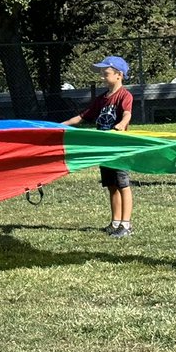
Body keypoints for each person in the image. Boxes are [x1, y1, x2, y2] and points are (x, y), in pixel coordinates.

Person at [61, 56, 134, 237]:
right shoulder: (102, 99)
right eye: (101, 73)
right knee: (111, 185)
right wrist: (60, 125)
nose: (102, 77)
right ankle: (115, 222)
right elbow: (82, 117)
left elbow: (127, 113)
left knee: (123, 185)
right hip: (104, 148)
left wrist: (121, 124)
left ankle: (126, 225)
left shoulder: (124, 95)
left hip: (118, 148)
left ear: (119, 75)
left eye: (105, 73)